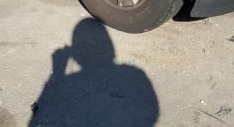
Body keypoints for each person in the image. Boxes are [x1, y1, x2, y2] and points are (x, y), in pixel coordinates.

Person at [29, 19, 159, 127]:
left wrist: (58, 69)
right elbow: (152, 113)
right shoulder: (135, 74)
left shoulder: (133, 75)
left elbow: (37, 120)